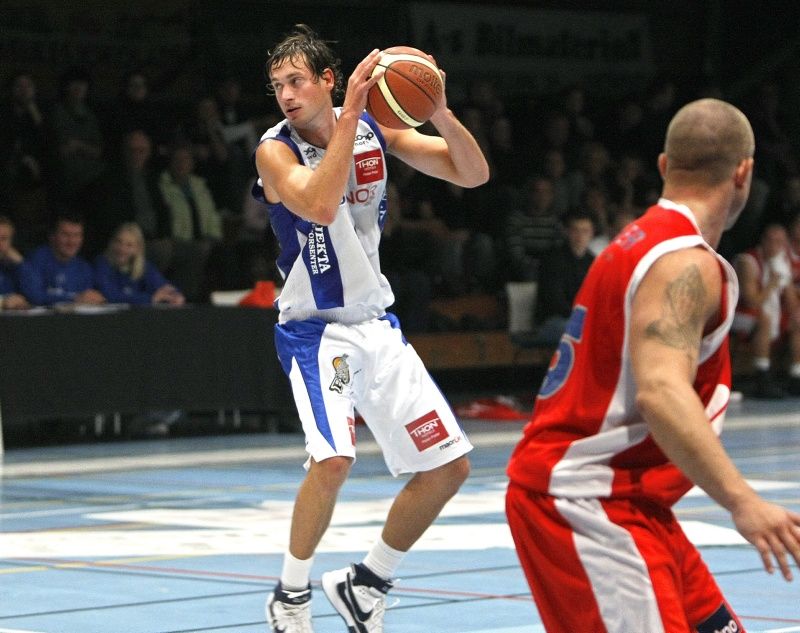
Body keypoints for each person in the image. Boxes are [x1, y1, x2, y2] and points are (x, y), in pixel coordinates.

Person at [505, 98, 800, 633]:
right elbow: (662, 392)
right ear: (743, 173)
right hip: (589, 503)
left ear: (665, 165)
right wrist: (743, 501)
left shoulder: (637, 240)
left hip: (634, 502)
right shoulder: (684, 262)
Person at [253, 24, 488, 633]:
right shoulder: (274, 151)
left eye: (296, 80)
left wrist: (439, 111)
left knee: (449, 466)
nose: (286, 94)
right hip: (314, 329)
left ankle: (367, 584)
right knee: (332, 460)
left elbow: (472, 174)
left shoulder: (373, 130)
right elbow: (319, 204)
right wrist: (354, 111)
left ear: (327, 80)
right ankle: (290, 595)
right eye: (278, 85)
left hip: (376, 323)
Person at [732, 223, 800, 398]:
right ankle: (761, 376)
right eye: (772, 240)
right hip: (738, 314)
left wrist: (787, 282)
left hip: (765, 312)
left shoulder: (781, 263)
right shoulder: (748, 261)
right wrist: (772, 284)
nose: (775, 246)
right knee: (764, 320)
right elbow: (752, 302)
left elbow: (792, 305)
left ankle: (796, 376)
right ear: (763, 241)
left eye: (780, 242)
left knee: (797, 319)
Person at [530, 209, 595, 346]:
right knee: (581, 332)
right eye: (575, 231)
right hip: (553, 321)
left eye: (585, 231)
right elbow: (554, 302)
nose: (580, 236)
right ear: (567, 232)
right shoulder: (552, 260)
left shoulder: (593, 262)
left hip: (583, 320)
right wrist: (584, 317)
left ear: (591, 234)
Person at [18, 213, 105, 306]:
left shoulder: (84, 268)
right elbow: (33, 296)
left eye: (77, 235)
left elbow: (88, 299)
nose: (71, 241)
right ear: (52, 236)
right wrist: (73, 298)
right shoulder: (36, 260)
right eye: (65, 235)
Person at [94, 222, 184, 306]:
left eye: (129, 245)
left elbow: (162, 286)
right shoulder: (102, 263)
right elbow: (110, 295)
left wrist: (175, 296)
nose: (122, 249)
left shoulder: (144, 267)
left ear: (138, 248)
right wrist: (150, 298)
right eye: (118, 242)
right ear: (112, 243)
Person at [0, 215, 30, 310]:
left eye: (4, 239)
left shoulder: (12, 265)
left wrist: (21, 263)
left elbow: (35, 296)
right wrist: (3, 302)